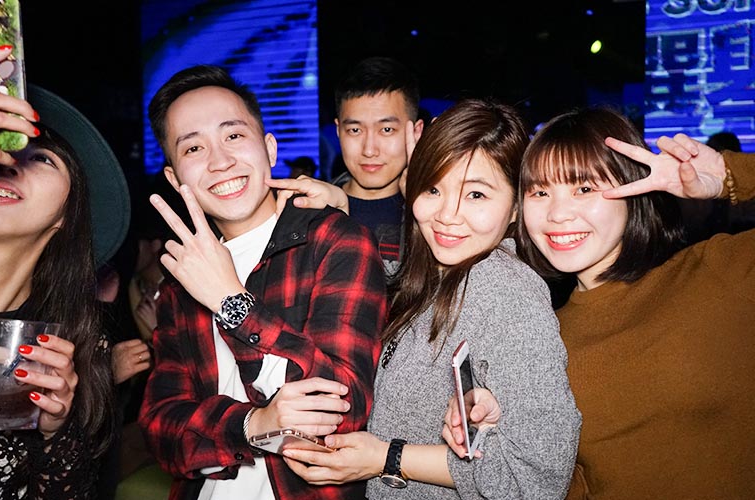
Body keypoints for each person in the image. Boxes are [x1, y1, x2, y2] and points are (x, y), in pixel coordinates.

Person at [281, 98, 581, 499]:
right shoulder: (436, 273)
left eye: (476, 195)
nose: (447, 214)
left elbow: (536, 480)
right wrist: (344, 213)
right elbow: (383, 280)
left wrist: (388, 458)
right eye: (434, 188)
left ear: (515, 207)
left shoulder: (508, 293)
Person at [138, 64, 388, 500]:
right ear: (176, 178)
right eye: (193, 148)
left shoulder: (333, 240)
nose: (220, 161)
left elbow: (343, 407)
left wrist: (231, 302)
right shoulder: (180, 281)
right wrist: (253, 424)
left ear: (269, 148)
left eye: (234, 135)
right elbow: (163, 432)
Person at [514, 106, 755, 499]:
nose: (557, 214)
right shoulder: (541, 339)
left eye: (584, 189)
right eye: (540, 192)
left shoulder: (715, 274)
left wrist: (728, 175)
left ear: (634, 189)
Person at [0, 45, 130, 500]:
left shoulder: (78, 347)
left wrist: (56, 433)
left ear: (66, 216)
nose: (9, 159)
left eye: (42, 157)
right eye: (2, 145)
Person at [326, 56, 424, 275]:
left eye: (386, 130)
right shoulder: (313, 210)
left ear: (416, 132)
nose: (369, 150)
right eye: (355, 130)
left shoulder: (437, 219)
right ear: (338, 131)